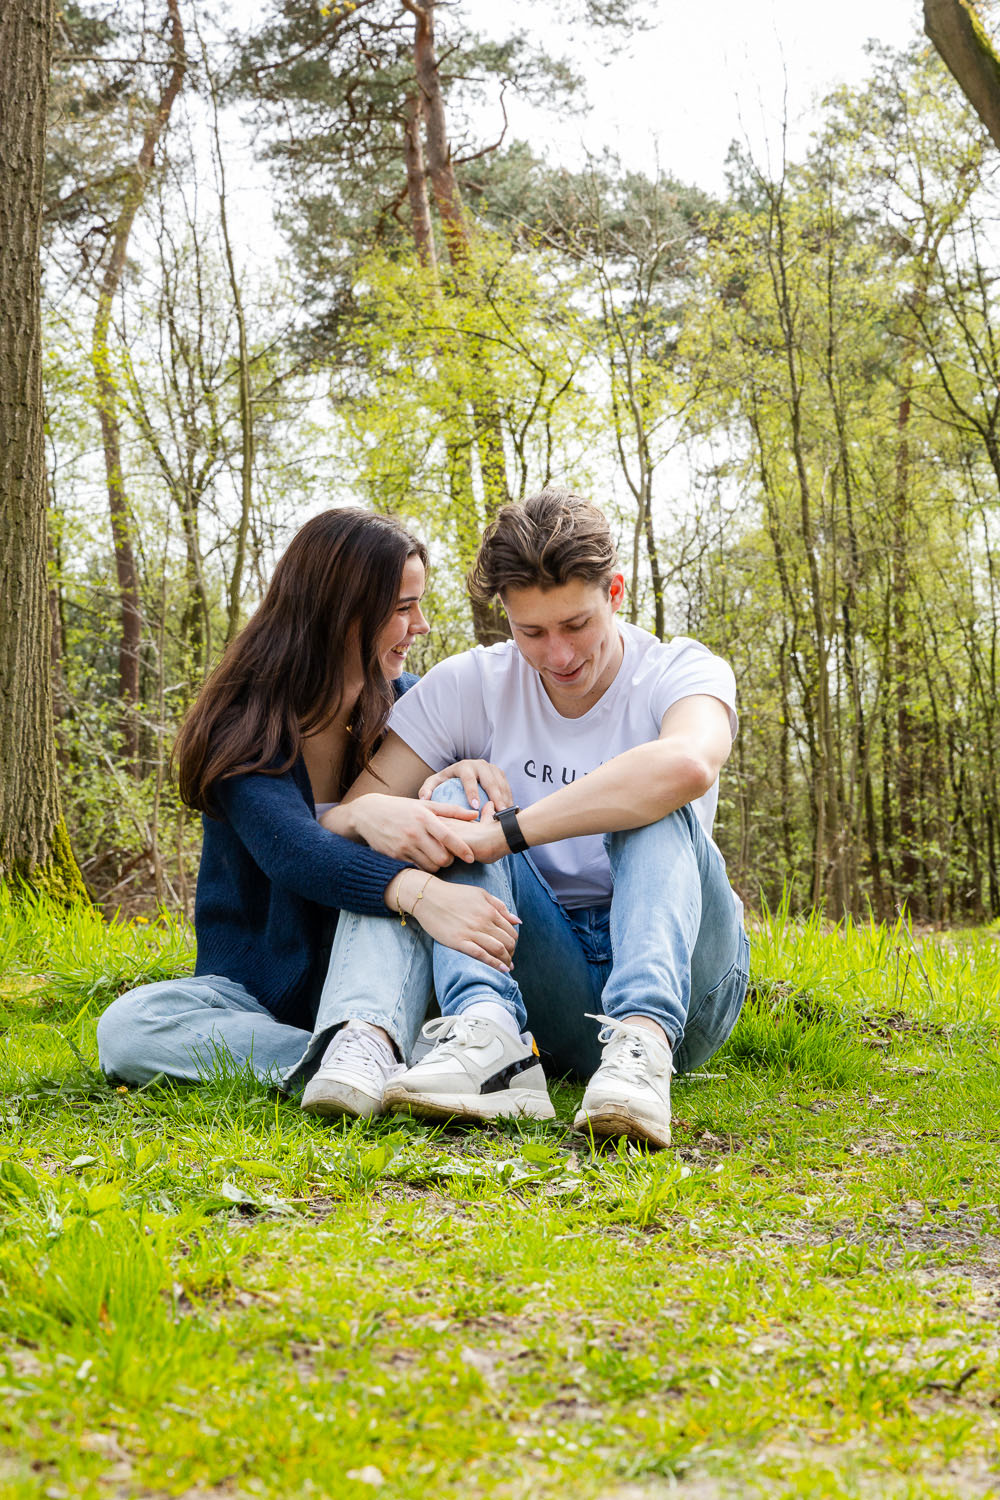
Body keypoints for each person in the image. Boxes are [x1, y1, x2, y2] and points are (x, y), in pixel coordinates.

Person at [320, 487, 749, 1148]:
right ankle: (491, 1040)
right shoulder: (471, 685)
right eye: (532, 632)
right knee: (457, 797)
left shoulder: (680, 669)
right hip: (547, 975)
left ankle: (642, 1045)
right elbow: (344, 816)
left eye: (576, 625)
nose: (558, 655)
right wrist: (390, 807)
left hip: (684, 982)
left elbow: (689, 766)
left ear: (615, 592)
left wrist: (507, 832)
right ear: (505, 618)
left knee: (648, 797)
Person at [96, 508, 519, 1100]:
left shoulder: (412, 707)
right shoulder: (246, 724)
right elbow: (294, 852)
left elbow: (459, 819)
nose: (419, 626)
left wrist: (459, 771)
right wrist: (418, 892)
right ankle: (357, 1063)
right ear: (339, 613)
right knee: (128, 1029)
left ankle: (383, 1052)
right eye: (402, 608)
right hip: (255, 996)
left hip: (386, 981)